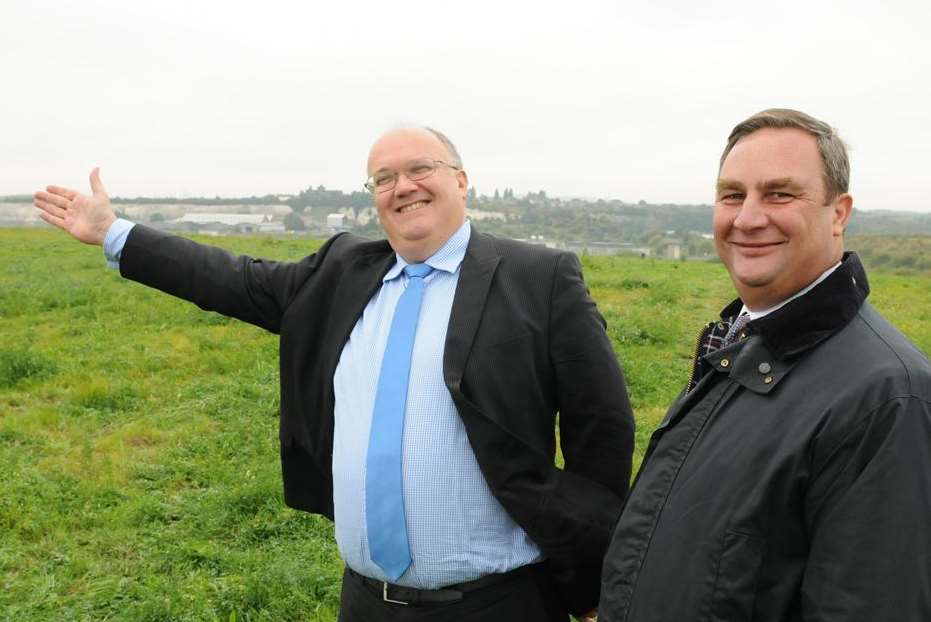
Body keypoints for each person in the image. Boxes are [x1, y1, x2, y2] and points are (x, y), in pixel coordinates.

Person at [34, 126, 635, 621]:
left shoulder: (540, 277)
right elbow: (229, 276)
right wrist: (114, 233)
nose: (403, 187)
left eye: (420, 168)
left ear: (460, 178)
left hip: (501, 603)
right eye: (384, 178)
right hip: (366, 602)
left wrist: (589, 577)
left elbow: (600, 431)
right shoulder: (341, 272)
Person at [598, 109, 931, 621]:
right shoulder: (742, 341)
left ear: (839, 213)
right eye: (733, 194)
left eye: (779, 194)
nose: (748, 218)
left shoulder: (887, 396)